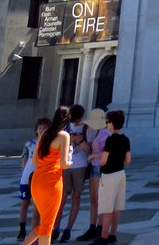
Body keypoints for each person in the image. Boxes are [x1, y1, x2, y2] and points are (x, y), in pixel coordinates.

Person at [24, 107, 72, 245]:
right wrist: (70, 160)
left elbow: (34, 160)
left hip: (37, 180)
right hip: (52, 182)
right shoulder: (64, 136)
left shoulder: (44, 134)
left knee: (45, 222)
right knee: (47, 225)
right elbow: (64, 164)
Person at [56, 105, 91, 241]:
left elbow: (89, 150)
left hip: (80, 166)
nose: (76, 122)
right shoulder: (64, 128)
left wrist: (80, 140)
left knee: (76, 197)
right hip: (65, 166)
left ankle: (68, 229)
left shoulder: (86, 128)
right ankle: (56, 228)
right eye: (74, 120)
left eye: (78, 119)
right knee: (61, 199)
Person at [96, 111, 130, 245]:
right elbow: (128, 159)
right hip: (121, 174)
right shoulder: (125, 139)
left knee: (107, 207)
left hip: (109, 175)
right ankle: (112, 234)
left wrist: (97, 159)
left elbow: (104, 160)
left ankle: (103, 237)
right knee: (117, 207)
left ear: (111, 123)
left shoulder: (110, 139)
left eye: (107, 122)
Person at [77, 108, 108, 241]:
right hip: (93, 166)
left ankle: (100, 227)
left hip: (103, 167)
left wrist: (94, 155)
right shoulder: (90, 130)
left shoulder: (107, 133)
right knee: (93, 197)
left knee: (100, 198)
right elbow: (89, 148)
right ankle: (92, 226)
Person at [18, 117, 49, 241]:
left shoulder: (49, 144)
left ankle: (34, 234)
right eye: (40, 128)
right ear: (36, 130)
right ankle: (22, 228)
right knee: (25, 203)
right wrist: (23, 173)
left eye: (45, 128)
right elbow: (24, 160)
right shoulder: (30, 144)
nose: (42, 130)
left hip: (39, 177)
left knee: (37, 207)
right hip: (27, 177)